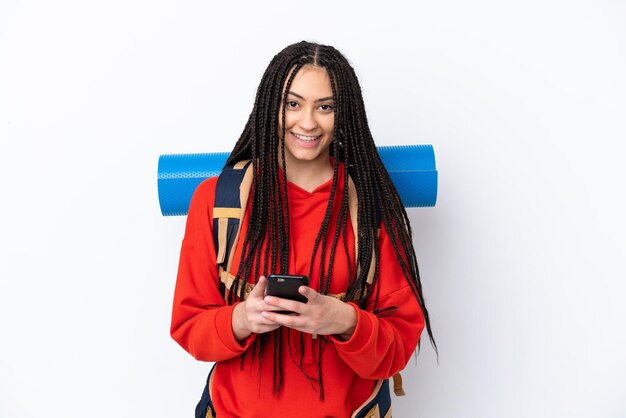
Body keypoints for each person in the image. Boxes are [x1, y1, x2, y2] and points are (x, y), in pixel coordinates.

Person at [170, 41, 436, 418]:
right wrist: (243, 319)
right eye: (293, 104)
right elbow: (189, 328)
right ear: (270, 108)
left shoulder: (375, 207)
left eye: (324, 106)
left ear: (343, 114)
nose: (308, 122)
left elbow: (398, 346)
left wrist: (342, 320)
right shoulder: (216, 200)